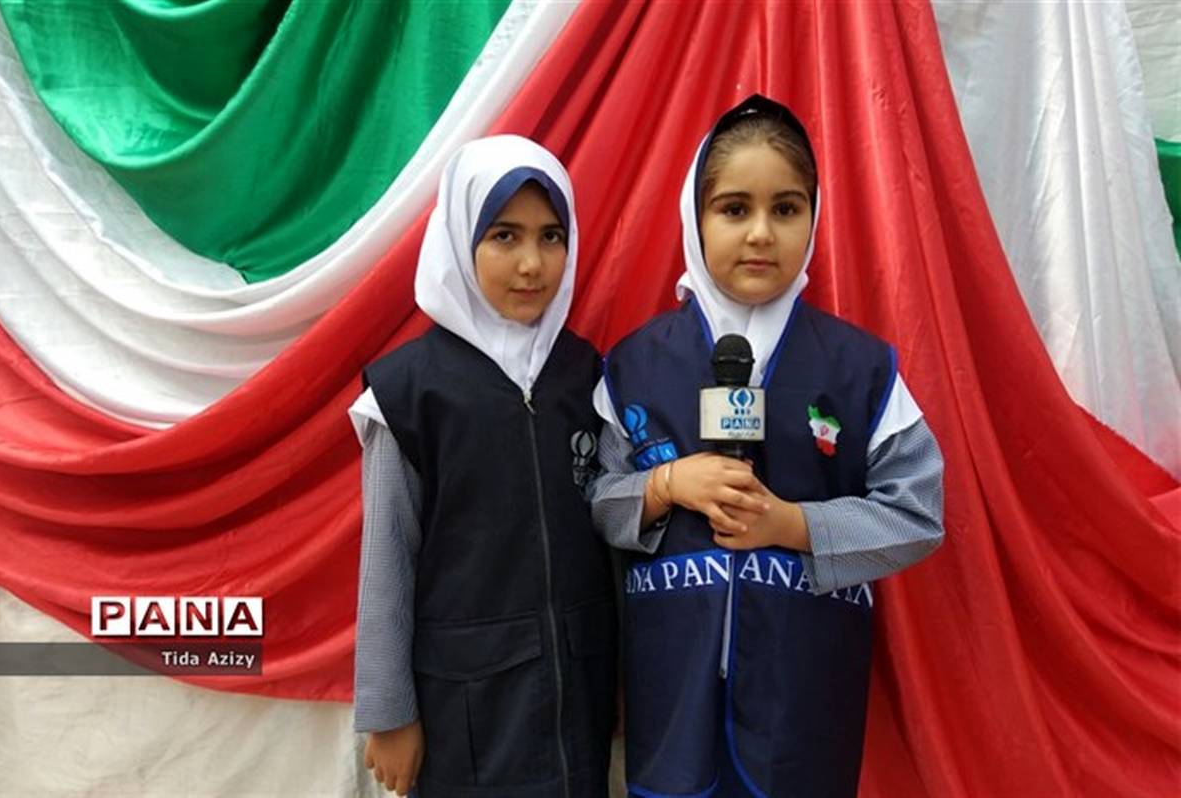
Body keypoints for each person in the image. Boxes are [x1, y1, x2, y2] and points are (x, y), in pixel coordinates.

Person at [589, 95, 945, 798]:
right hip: (672, 685)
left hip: (802, 690)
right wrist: (664, 486)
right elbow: (599, 500)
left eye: (785, 208)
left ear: (813, 217)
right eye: (734, 209)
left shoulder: (860, 368)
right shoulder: (634, 365)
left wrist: (793, 525)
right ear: (695, 218)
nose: (760, 233)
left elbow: (917, 514)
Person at [349, 135, 616, 798]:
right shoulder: (411, 391)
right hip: (465, 705)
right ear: (459, 240)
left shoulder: (585, 375)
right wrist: (388, 712)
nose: (531, 263)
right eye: (504, 236)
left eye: (551, 236)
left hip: (577, 693)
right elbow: (387, 561)